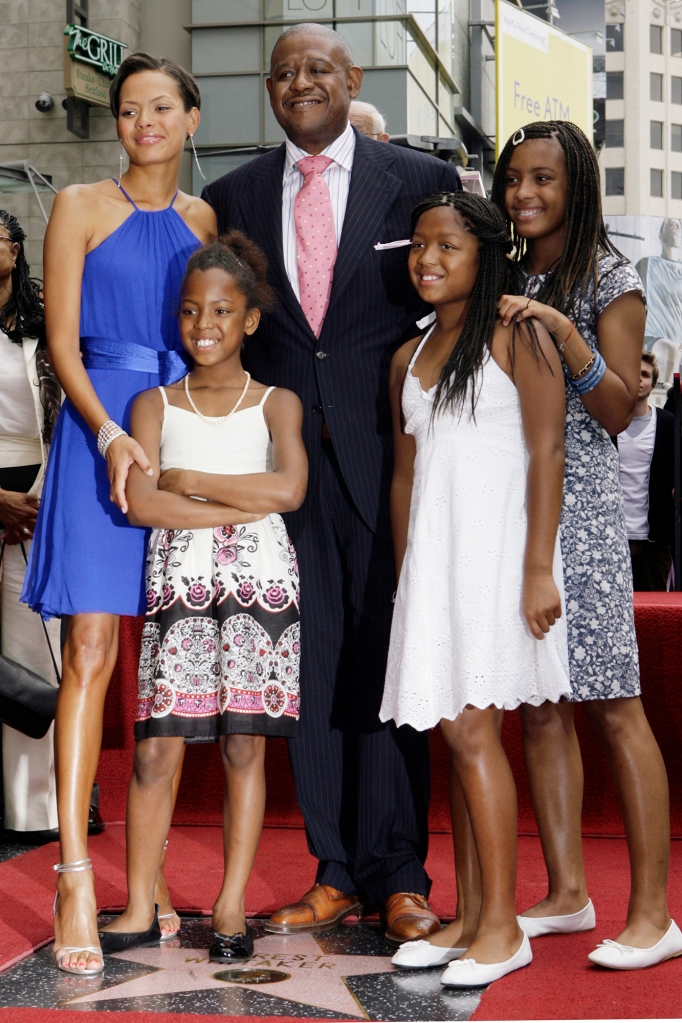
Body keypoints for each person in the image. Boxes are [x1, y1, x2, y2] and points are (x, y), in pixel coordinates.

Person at [202, 22, 462, 942]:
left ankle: (398, 870)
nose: (300, 82)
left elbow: (459, 297)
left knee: (391, 663)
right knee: (305, 670)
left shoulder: (423, 182)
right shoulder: (228, 195)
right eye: (284, 72)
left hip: (395, 463)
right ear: (268, 92)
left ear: (352, 79)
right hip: (284, 473)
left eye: (318, 68)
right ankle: (334, 868)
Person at [21, 53, 217, 976]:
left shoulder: (202, 221)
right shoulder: (78, 206)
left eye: (161, 107)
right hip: (102, 445)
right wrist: (106, 435)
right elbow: (61, 344)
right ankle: (71, 874)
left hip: (175, 445)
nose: (144, 121)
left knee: (168, 663)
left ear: (190, 119)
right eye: (130, 108)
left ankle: (148, 874)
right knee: (94, 651)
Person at [487, 120, 680, 969]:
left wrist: (564, 334)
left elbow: (616, 411)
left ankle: (654, 915)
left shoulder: (610, 275)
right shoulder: (500, 268)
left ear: (578, 188)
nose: (523, 194)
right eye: (512, 180)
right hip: (508, 505)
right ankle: (567, 892)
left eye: (542, 180)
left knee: (614, 703)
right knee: (538, 705)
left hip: (585, 516)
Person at [100, 233, 307, 961]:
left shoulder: (277, 402)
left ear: (250, 318)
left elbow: (290, 489)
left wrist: (190, 478)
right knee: (157, 748)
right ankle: (136, 903)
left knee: (244, 746)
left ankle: (228, 904)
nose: (204, 325)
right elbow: (144, 506)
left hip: (261, 586)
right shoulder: (150, 402)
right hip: (178, 583)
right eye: (190, 311)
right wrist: (233, 502)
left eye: (221, 309)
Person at [381, 192, 570, 986]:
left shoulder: (516, 333)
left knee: (469, 736)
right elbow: (406, 476)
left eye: (447, 246)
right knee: (449, 739)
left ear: (485, 253)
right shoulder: (408, 355)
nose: (427, 259)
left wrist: (536, 567)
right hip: (437, 567)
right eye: (419, 246)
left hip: (500, 560)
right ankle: (466, 913)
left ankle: (503, 925)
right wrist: (406, 578)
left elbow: (549, 449)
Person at [0, 210, 61, 835]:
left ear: (16, 251)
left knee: (30, 659)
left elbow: (66, 414)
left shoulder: (45, 324)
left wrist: (32, 500)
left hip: (37, 502)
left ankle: (33, 809)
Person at [616, 352, 674, 591]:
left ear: (652, 383)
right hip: (613, 538)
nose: (639, 379)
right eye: (634, 372)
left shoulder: (668, 422)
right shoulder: (607, 422)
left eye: (645, 374)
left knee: (655, 616)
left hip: (655, 542)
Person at [635, 218, 682, 357]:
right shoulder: (646, 265)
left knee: (675, 376)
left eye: (677, 226)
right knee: (669, 353)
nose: (673, 227)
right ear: (660, 236)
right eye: (669, 224)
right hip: (652, 339)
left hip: (677, 343)